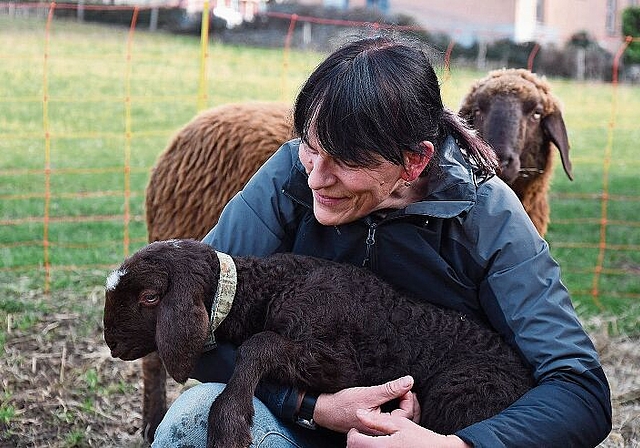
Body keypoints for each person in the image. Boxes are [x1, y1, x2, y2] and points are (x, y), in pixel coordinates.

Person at [152, 33, 611, 447]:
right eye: (311, 145)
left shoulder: (487, 217)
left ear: (415, 162)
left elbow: (580, 390)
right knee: (193, 418)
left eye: (347, 160)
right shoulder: (289, 175)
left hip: (434, 431)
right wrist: (311, 407)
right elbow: (190, 317)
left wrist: (457, 446)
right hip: (302, 424)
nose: (316, 178)